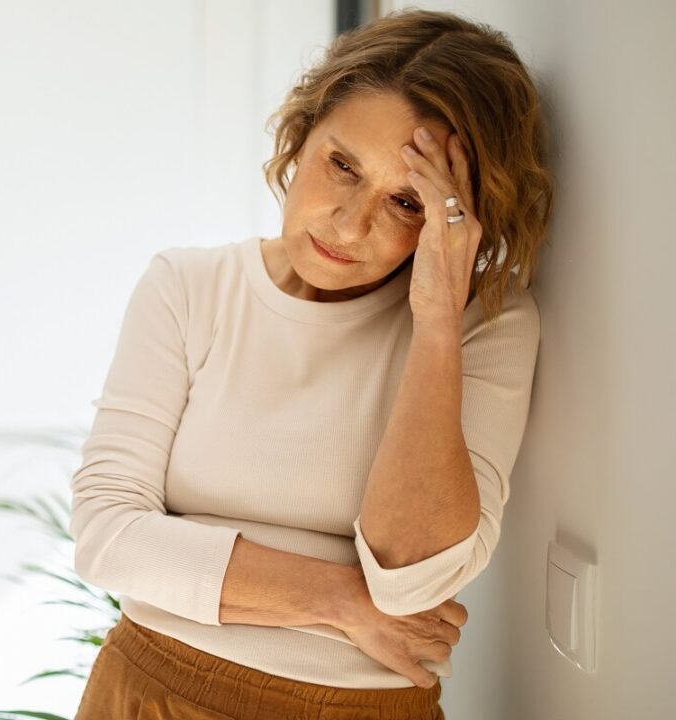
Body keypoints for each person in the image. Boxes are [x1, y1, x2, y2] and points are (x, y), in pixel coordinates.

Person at [70, 9, 553, 719]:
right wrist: (343, 603)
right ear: (302, 134)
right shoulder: (188, 287)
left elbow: (412, 580)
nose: (349, 223)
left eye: (406, 202)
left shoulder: (487, 327)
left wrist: (436, 321)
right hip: (147, 691)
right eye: (344, 165)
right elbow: (107, 536)